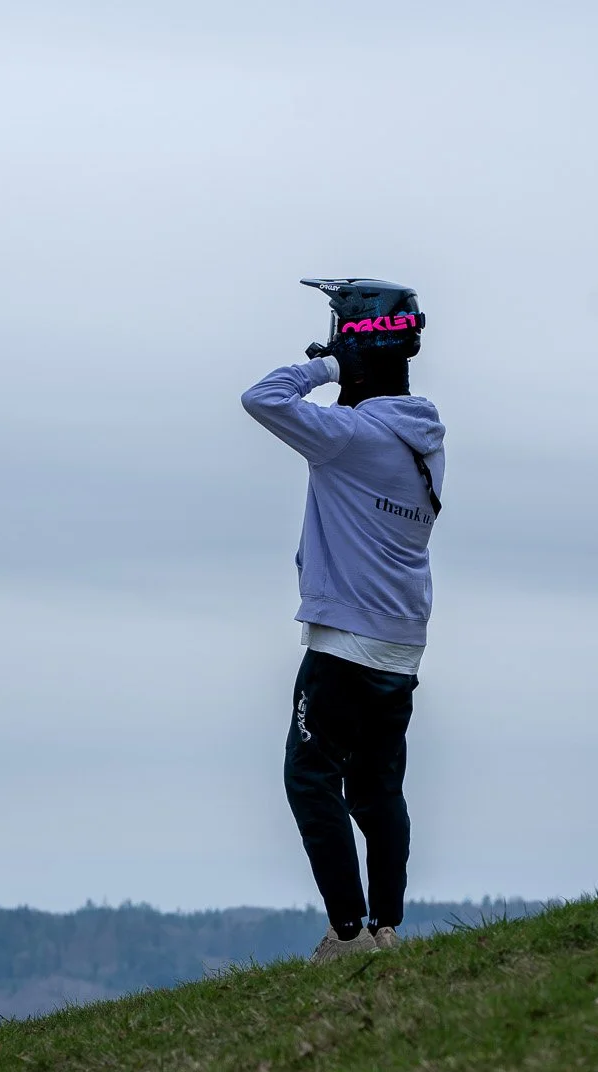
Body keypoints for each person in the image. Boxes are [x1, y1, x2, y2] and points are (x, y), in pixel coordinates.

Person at [240, 279, 447, 964]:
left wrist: (329, 367)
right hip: (401, 640)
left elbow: (263, 397)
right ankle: (387, 923)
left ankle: (349, 933)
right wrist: (356, 365)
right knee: (378, 786)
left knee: (310, 776)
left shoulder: (350, 436)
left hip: (343, 644)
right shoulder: (423, 435)